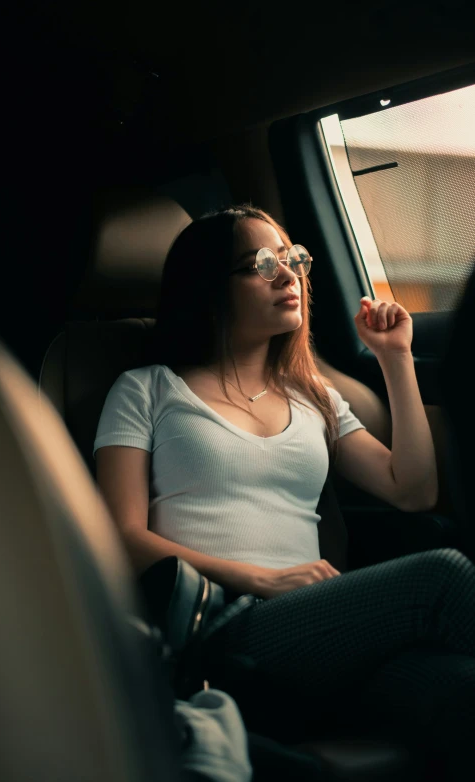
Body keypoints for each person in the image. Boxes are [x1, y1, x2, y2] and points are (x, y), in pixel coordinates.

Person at [94, 205, 475, 778]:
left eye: (293, 259)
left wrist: (395, 359)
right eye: (261, 264)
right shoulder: (146, 390)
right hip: (223, 628)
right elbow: (119, 539)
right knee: (444, 574)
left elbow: (413, 491)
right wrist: (261, 578)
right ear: (209, 289)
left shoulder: (312, 396)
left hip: (323, 632)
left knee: (461, 691)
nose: (288, 274)